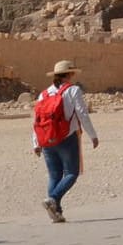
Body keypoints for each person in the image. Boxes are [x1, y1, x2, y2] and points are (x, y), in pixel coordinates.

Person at [31, 59, 98, 223]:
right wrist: (92, 135)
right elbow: (82, 114)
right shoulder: (73, 90)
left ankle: (56, 211)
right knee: (71, 173)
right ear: (69, 74)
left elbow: (38, 120)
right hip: (67, 137)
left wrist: (36, 142)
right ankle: (52, 199)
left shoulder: (44, 94)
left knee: (54, 175)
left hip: (47, 139)